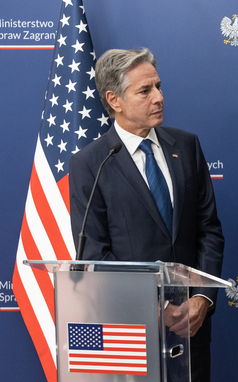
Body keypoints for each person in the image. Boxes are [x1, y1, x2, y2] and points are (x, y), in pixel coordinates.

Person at [69, 48, 224, 382]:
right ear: (114, 100)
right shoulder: (91, 163)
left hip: (189, 329)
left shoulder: (187, 146)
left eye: (158, 86)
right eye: (145, 91)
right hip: (128, 333)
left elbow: (208, 230)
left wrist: (200, 298)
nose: (159, 97)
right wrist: (155, 308)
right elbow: (94, 252)